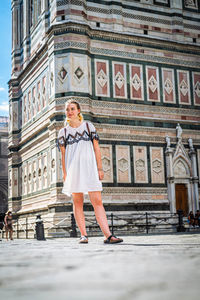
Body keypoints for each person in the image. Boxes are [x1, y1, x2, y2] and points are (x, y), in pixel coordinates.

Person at [58, 100, 123, 244]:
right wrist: (65, 174)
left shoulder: (88, 126)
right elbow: (63, 155)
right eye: (67, 109)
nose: (70, 112)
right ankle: (83, 235)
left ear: (79, 111)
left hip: (90, 168)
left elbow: (96, 148)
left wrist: (100, 168)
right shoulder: (63, 132)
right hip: (73, 169)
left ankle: (108, 235)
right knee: (78, 202)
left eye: (72, 109)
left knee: (97, 201)